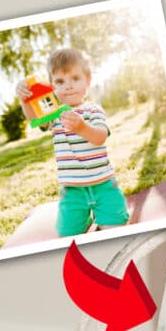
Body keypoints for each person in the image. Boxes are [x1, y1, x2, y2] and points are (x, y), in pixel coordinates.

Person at [16, 47, 130, 237]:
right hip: (72, 192)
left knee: (116, 232)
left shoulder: (94, 110)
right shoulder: (55, 115)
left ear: (88, 80)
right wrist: (24, 100)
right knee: (67, 236)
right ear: (52, 86)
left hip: (104, 185)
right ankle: (85, 222)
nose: (68, 86)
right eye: (60, 81)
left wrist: (82, 128)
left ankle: (103, 223)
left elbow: (100, 136)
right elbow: (35, 119)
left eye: (75, 79)